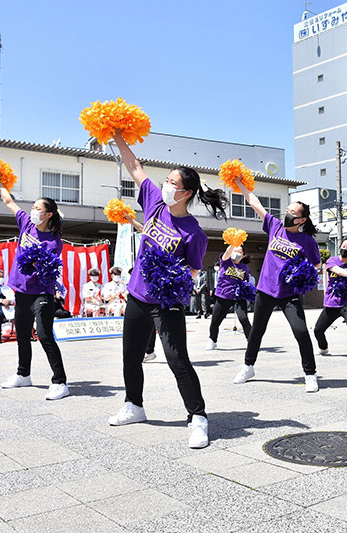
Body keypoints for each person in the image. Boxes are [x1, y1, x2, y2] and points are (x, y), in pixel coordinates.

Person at [108, 131, 227, 449]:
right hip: (137, 294)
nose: (166, 185)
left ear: (186, 192)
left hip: (167, 302)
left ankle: (198, 417)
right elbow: (134, 166)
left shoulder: (194, 233)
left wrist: (171, 274)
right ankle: (134, 405)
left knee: (177, 359)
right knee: (130, 356)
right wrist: (117, 134)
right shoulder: (154, 203)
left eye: (173, 183)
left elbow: (193, 269)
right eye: (167, 180)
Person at [231, 178, 323, 392]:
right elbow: (254, 203)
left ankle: (310, 374)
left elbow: (317, 264)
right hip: (265, 289)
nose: (288, 214)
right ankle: (248, 366)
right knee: (257, 331)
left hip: (289, 294)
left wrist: (304, 274)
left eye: (294, 212)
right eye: (288, 210)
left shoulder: (307, 241)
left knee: (300, 331)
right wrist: (240, 184)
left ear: (302, 219)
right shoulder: (275, 226)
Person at [0, 174, 70, 401]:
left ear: (48, 214)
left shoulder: (54, 240)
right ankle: (23, 374)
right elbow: (8, 201)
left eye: (38, 208)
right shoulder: (26, 223)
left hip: (42, 294)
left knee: (45, 335)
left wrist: (37, 262)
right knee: (23, 334)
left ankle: (60, 382)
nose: (33, 210)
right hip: (21, 291)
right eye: (33, 207)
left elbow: (47, 267)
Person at [206, 244, 253, 350]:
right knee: (215, 321)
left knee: (244, 318)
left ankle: (251, 341)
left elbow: (246, 283)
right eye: (235, 251)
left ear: (243, 255)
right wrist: (233, 243)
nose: (237, 253)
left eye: (240, 252)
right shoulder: (226, 261)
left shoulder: (244, 267)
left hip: (238, 297)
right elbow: (227, 252)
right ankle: (212, 340)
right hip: (224, 295)